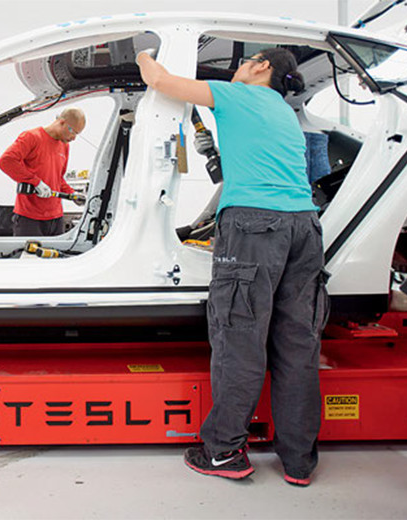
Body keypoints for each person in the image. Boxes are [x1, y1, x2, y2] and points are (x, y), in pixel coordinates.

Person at [137, 48, 329, 487]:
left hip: (254, 226)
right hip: (304, 227)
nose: (237, 69)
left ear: (262, 66)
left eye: (246, 62)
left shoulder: (237, 95)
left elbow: (161, 82)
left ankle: (223, 452)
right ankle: (299, 462)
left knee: (240, 338)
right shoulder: (284, 112)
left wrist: (144, 54)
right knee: (298, 345)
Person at [0, 107, 86, 236]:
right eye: (73, 132)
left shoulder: (64, 146)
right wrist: (36, 182)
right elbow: (6, 161)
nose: (74, 138)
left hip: (56, 219)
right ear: (62, 122)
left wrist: (72, 193)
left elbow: (58, 178)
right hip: (29, 219)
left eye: (77, 134)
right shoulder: (32, 137)